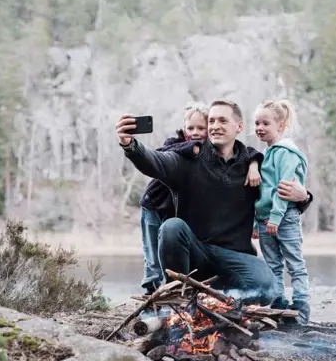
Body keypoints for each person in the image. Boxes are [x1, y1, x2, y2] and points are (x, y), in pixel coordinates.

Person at [115, 100, 314, 305]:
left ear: (239, 127)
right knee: (171, 228)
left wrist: (304, 198)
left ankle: (221, 300)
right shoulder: (189, 157)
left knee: (268, 286)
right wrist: (130, 145)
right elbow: (156, 161)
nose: (215, 126)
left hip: (235, 257)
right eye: (211, 121)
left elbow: (274, 196)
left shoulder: (253, 165)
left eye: (222, 120)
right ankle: (179, 298)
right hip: (196, 253)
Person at [138, 102, 209, 295]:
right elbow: (159, 154)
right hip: (153, 205)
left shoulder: (210, 151)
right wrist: (191, 147)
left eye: (201, 128)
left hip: (174, 210)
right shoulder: (175, 142)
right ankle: (150, 290)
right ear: (184, 128)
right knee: (152, 253)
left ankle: (169, 288)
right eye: (190, 128)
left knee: (167, 250)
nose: (195, 132)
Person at [252, 99, 311, 324]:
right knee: (272, 264)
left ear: (281, 125)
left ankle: (301, 305)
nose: (260, 127)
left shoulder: (287, 153)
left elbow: (284, 187)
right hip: (265, 219)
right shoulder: (264, 154)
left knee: (295, 263)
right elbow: (258, 194)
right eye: (257, 123)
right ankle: (278, 302)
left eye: (266, 123)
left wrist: (276, 217)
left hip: (284, 217)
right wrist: (256, 223)